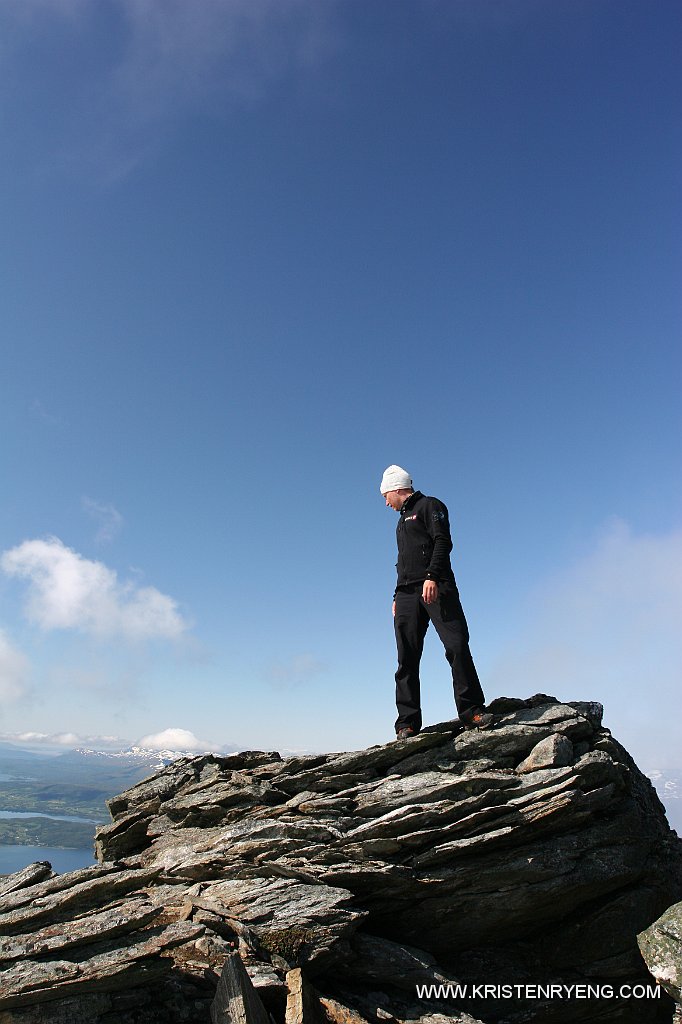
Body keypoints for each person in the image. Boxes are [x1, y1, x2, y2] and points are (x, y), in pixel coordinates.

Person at [380, 464, 493, 739]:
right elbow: (403, 562)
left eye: (385, 496)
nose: (385, 503)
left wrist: (432, 576)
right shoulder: (400, 521)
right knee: (406, 657)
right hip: (407, 594)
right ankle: (406, 723)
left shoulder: (430, 506)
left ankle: (471, 711)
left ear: (396, 489)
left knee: (456, 645)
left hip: (437, 585)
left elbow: (443, 542)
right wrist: (397, 595)